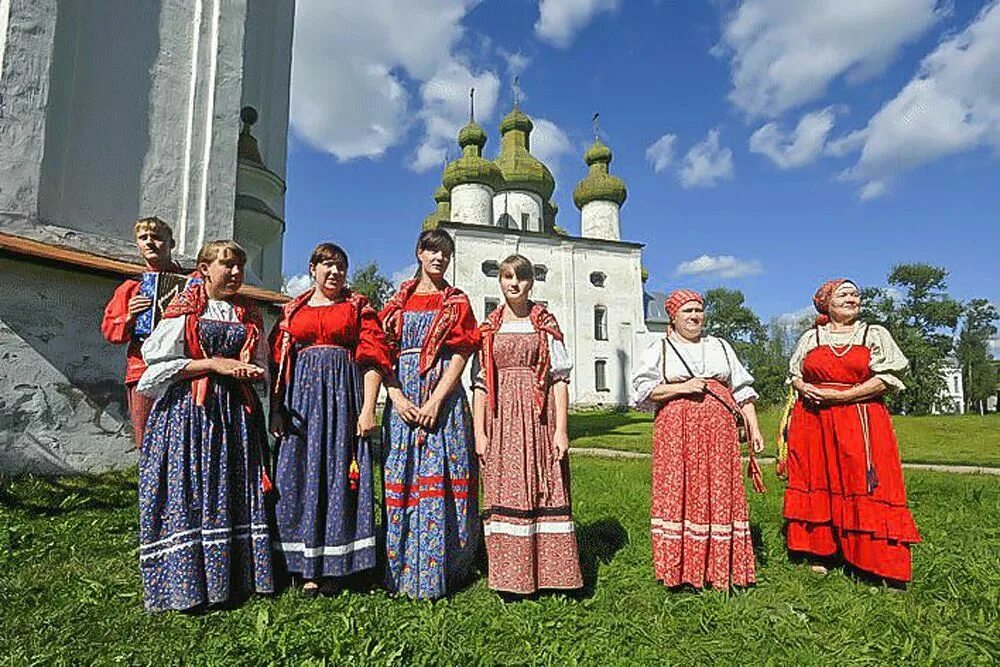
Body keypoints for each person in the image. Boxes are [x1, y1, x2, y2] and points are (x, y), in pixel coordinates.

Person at [135, 240, 273, 611]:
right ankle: (187, 584)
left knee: (231, 485)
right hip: (191, 412)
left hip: (235, 411)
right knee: (193, 486)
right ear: (204, 268)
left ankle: (235, 579)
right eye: (226, 265)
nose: (234, 273)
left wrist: (250, 371)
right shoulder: (187, 308)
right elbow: (155, 365)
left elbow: (261, 363)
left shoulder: (248, 313)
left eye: (239, 267)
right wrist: (213, 364)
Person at [268, 243, 390, 595]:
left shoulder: (357, 307)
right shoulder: (294, 310)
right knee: (301, 473)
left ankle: (338, 566)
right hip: (300, 404)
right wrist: (277, 409)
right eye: (326, 265)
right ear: (312, 268)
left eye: (340, 266)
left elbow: (373, 358)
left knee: (338, 473)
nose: (334, 272)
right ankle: (305, 566)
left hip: (342, 401)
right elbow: (280, 364)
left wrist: (368, 409)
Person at [782, 279, 920, 585]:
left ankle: (873, 558)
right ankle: (821, 550)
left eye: (855, 294)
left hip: (861, 417)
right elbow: (794, 375)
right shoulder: (811, 337)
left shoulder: (874, 334)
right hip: (814, 419)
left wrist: (843, 396)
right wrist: (804, 386)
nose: (852, 298)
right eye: (843, 294)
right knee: (818, 476)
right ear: (826, 303)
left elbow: (889, 377)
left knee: (863, 480)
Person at [630, 289, 764, 589]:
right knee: (680, 488)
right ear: (673, 317)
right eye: (687, 311)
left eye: (698, 311)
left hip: (719, 431)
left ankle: (721, 569)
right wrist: (683, 387)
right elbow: (642, 392)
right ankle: (681, 571)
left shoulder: (719, 346)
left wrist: (754, 428)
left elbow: (742, 389)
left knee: (718, 488)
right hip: (676, 430)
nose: (694, 316)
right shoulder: (659, 349)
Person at [472, 254, 582, 596]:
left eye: (521, 277)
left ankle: (551, 574)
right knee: (505, 484)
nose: (514, 283)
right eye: (507, 276)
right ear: (500, 281)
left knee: (542, 482)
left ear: (531, 283)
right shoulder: (489, 327)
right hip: (500, 414)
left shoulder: (545, 324)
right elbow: (480, 383)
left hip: (539, 414)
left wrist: (561, 429)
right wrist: (479, 432)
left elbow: (559, 379)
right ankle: (509, 576)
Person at [379, 229, 481, 599]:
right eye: (433, 251)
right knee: (402, 478)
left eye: (446, 254)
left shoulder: (456, 301)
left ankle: (447, 569)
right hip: (402, 397)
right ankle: (400, 569)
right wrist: (397, 397)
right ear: (419, 253)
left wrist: (437, 399)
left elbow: (460, 354)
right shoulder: (396, 303)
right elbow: (380, 353)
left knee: (446, 477)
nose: (439, 258)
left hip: (444, 398)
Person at [101, 217, 184, 448]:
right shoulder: (131, 287)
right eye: (143, 238)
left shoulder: (193, 283)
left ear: (171, 243)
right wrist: (129, 316)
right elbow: (110, 332)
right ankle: (150, 483)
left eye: (157, 237)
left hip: (184, 369)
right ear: (137, 244)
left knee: (181, 438)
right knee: (147, 439)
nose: (150, 243)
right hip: (142, 369)